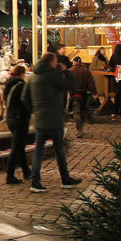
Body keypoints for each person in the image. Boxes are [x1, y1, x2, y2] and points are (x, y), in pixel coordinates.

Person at [21, 53, 82, 193]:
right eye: (55, 62)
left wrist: (34, 110)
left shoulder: (33, 77)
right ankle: (65, 179)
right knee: (59, 151)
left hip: (40, 120)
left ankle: (35, 182)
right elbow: (72, 85)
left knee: (38, 151)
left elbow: (24, 97)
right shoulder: (53, 76)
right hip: (54, 119)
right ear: (51, 62)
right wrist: (65, 70)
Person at [3, 65, 31, 184]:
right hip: (19, 118)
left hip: (10, 117)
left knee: (20, 146)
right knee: (16, 148)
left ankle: (26, 171)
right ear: (22, 74)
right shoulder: (21, 86)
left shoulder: (8, 86)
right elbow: (24, 102)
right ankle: (10, 175)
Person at [68, 57, 97, 138]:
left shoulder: (69, 71)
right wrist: (94, 93)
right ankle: (82, 126)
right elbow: (91, 84)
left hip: (74, 94)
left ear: (73, 62)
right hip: (83, 94)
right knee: (83, 111)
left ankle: (79, 129)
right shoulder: (86, 71)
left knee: (76, 113)